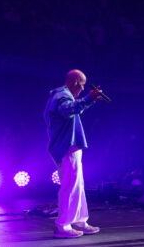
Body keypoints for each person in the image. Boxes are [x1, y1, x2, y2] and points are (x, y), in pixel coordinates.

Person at [44, 69, 103, 238]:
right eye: (82, 85)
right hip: (66, 146)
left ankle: (79, 220)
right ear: (75, 82)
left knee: (78, 185)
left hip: (71, 145)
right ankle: (62, 225)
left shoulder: (63, 95)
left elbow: (72, 110)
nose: (83, 89)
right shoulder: (61, 95)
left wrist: (86, 100)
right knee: (70, 185)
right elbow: (67, 110)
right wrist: (88, 99)